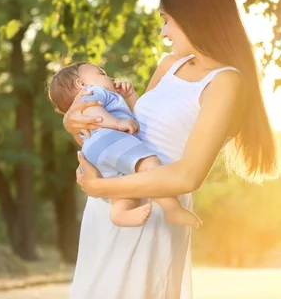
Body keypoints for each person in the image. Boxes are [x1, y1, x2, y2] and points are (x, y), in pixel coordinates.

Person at [63, 0, 281, 299]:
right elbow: (128, 131)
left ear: (193, 16)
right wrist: (73, 121)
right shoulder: (169, 65)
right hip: (110, 210)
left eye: (167, 19)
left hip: (152, 216)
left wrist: (99, 186)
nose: (164, 32)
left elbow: (186, 176)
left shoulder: (224, 82)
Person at [47, 62, 202, 228]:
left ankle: (119, 213)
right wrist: (117, 123)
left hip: (100, 153)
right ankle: (173, 209)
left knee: (124, 188)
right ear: (82, 84)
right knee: (149, 165)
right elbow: (93, 113)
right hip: (111, 141)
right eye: (101, 73)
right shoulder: (93, 92)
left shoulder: (109, 99)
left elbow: (137, 119)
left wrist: (128, 96)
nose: (109, 77)